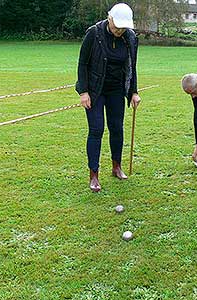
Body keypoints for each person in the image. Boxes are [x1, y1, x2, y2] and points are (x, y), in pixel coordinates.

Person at [75, 3, 141, 192]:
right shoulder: (94, 33)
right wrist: (83, 92)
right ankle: (94, 175)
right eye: (116, 27)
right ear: (109, 18)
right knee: (96, 130)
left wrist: (133, 92)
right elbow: (82, 64)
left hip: (116, 90)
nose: (119, 31)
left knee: (117, 128)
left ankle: (116, 166)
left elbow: (131, 67)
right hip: (95, 90)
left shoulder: (130, 38)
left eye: (123, 28)